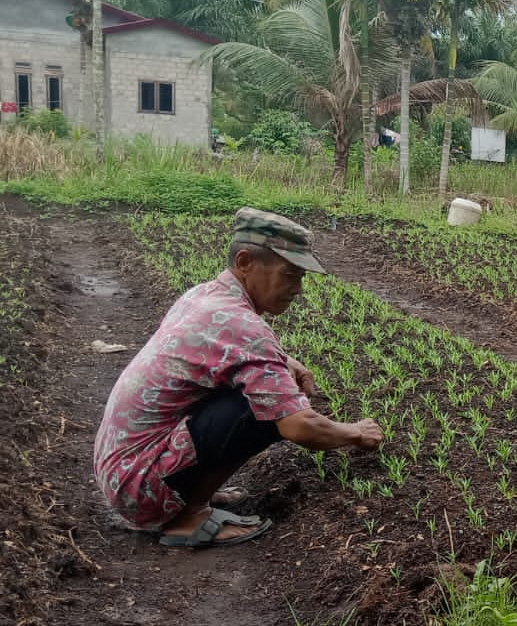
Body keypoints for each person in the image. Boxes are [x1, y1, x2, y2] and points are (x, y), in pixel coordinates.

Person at [94, 208, 383, 547]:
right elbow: (299, 426)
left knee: (266, 388)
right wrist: (355, 433)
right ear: (245, 262)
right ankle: (189, 517)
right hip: (140, 488)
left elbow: (216, 351)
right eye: (290, 274)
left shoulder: (204, 296)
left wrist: (283, 360)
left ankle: (190, 495)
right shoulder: (244, 328)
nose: (298, 289)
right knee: (268, 408)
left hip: (122, 471)